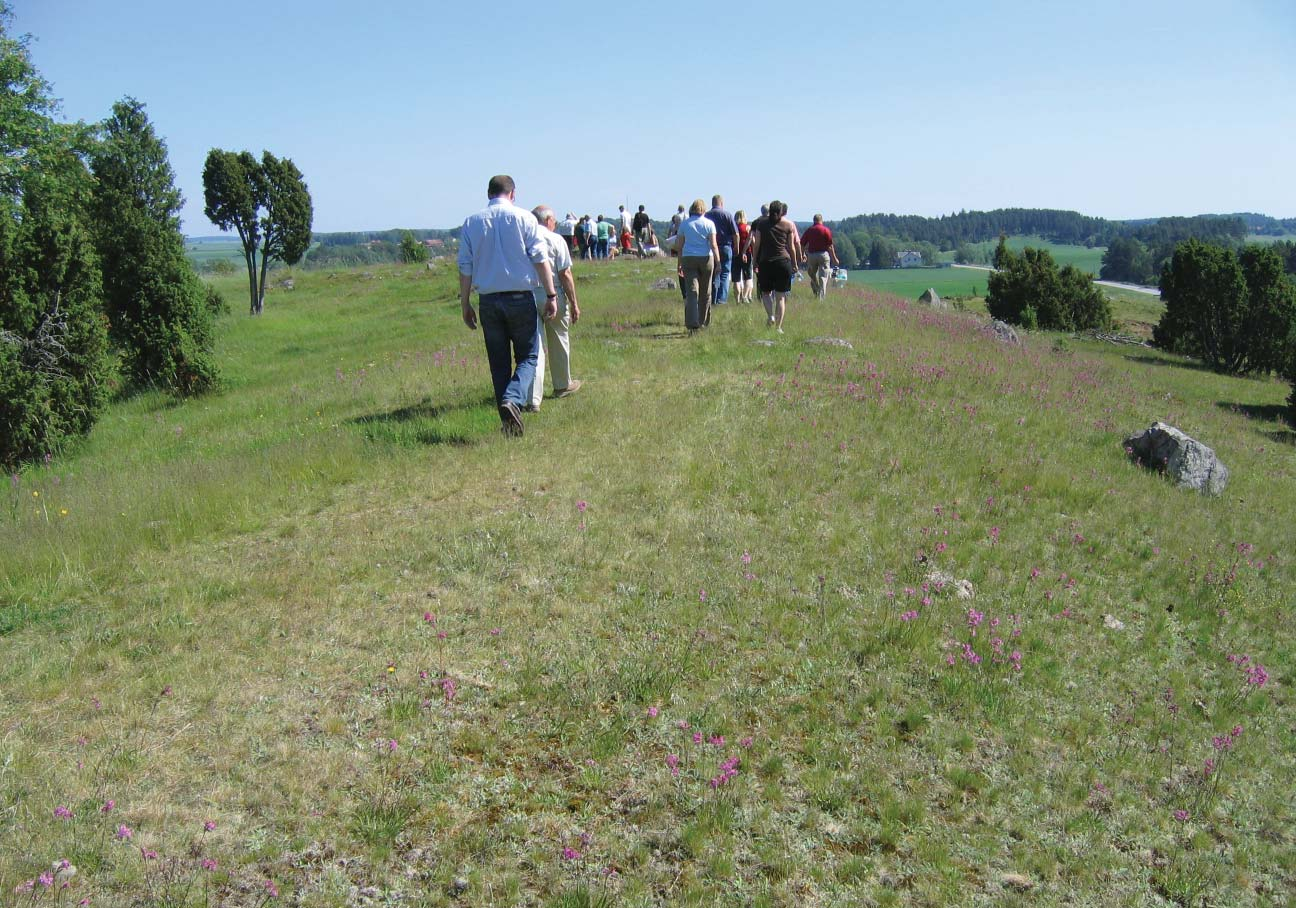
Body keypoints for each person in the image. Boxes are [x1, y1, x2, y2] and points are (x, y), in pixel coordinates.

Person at [457, 174, 558, 437]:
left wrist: (465, 302)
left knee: (498, 362)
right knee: (529, 356)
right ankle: (513, 399)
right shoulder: (525, 218)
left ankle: (508, 424)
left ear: (488, 193)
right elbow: (540, 257)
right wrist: (550, 295)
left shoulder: (472, 223)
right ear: (512, 194)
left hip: (488, 299)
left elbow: (465, 266)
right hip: (520, 296)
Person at [526, 206, 583, 410]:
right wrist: (574, 302)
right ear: (548, 220)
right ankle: (562, 385)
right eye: (554, 220)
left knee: (535, 346)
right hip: (553, 293)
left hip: (528, 294)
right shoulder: (556, 239)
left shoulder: (524, 238)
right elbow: (565, 274)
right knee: (559, 338)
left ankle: (533, 398)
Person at [750, 199, 801, 334]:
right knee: (781, 296)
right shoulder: (788, 225)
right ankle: (778, 327)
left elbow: (757, 245)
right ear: (781, 212)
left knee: (766, 293)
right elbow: (791, 247)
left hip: (765, 262)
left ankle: (770, 316)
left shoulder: (761, 224)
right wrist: (795, 264)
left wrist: (754, 261)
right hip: (783, 262)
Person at [676, 198, 720, 333]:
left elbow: (680, 246)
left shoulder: (684, 224)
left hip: (688, 258)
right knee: (706, 292)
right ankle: (703, 322)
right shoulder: (709, 224)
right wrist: (718, 262)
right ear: (703, 209)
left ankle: (692, 323)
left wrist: (679, 263)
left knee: (692, 291)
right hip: (706, 259)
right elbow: (713, 245)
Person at [705, 194, 739, 305]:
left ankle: (712, 298)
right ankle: (721, 299)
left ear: (712, 203)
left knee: (712, 273)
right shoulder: (727, 215)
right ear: (722, 203)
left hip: (710, 248)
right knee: (724, 273)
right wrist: (736, 247)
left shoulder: (706, 215)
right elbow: (736, 234)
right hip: (725, 246)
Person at [800, 214, 840, 300]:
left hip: (812, 255)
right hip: (823, 255)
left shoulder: (809, 230)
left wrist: (802, 254)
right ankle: (821, 298)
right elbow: (830, 246)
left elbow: (802, 244)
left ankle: (816, 290)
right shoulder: (826, 230)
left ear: (813, 220)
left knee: (812, 274)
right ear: (821, 220)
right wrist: (834, 258)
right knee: (823, 277)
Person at [733, 209, 753, 303]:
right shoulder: (748, 227)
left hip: (735, 254)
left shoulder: (733, 228)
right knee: (748, 277)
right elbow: (752, 241)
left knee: (736, 279)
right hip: (747, 254)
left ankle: (737, 300)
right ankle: (744, 297)